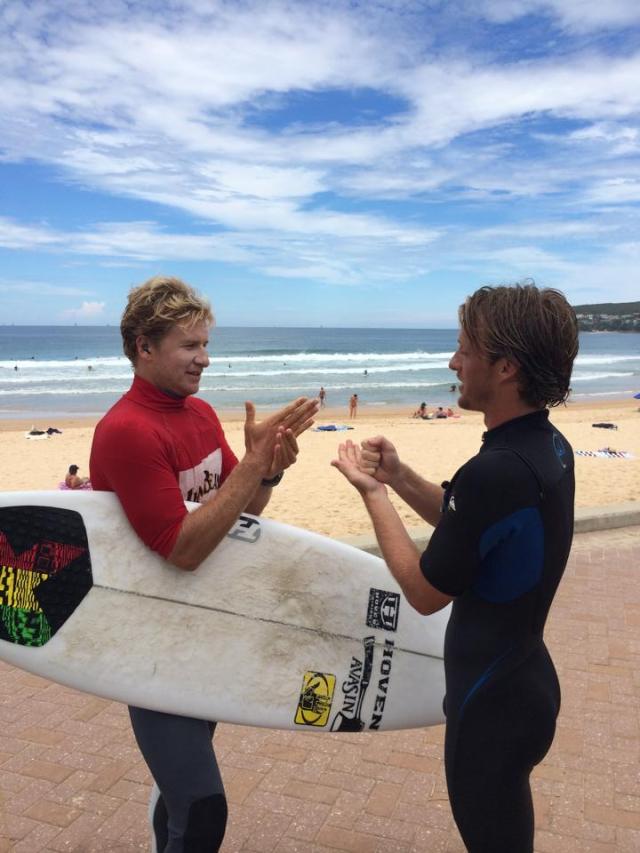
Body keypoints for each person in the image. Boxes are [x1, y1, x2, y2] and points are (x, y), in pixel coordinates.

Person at [332, 284, 578, 852]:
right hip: (524, 681)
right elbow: (475, 528)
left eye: (465, 349)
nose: (453, 362)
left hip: (488, 708)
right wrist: (399, 475)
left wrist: (373, 494)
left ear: (507, 366)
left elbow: (424, 591)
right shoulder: (548, 447)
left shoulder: (496, 470)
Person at [89, 276, 318, 853]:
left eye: (206, 344)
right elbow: (183, 548)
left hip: (207, 631)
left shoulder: (200, 416)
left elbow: (239, 516)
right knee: (204, 812)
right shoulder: (126, 431)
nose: (205, 360)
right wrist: (253, 464)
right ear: (145, 347)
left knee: (181, 799)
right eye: (190, 346)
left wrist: (267, 471)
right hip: (153, 646)